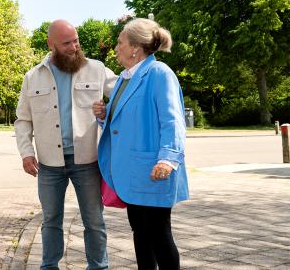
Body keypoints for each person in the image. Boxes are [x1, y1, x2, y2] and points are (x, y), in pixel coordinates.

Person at [15, 19, 117, 269]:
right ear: (51, 44)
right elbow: (22, 120)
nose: (74, 47)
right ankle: (49, 266)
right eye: (66, 43)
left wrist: (107, 111)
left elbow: (124, 95)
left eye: (76, 40)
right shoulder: (33, 77)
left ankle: (98, 267)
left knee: (94, 220)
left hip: (87, 161)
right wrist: (26, 152)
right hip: (49, 164)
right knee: (51, 220)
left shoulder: (96, 69)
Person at [93, 18, 189, 270]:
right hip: (132, 172)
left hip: (153, 170)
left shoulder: (159, 73)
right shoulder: (125, 78)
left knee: (159, 234)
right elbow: (125, 123)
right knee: (140, 233)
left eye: (120, 42)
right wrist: (104, 116)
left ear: (135, 47)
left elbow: (172, 119)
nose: (116, 47)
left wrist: (168, 158)